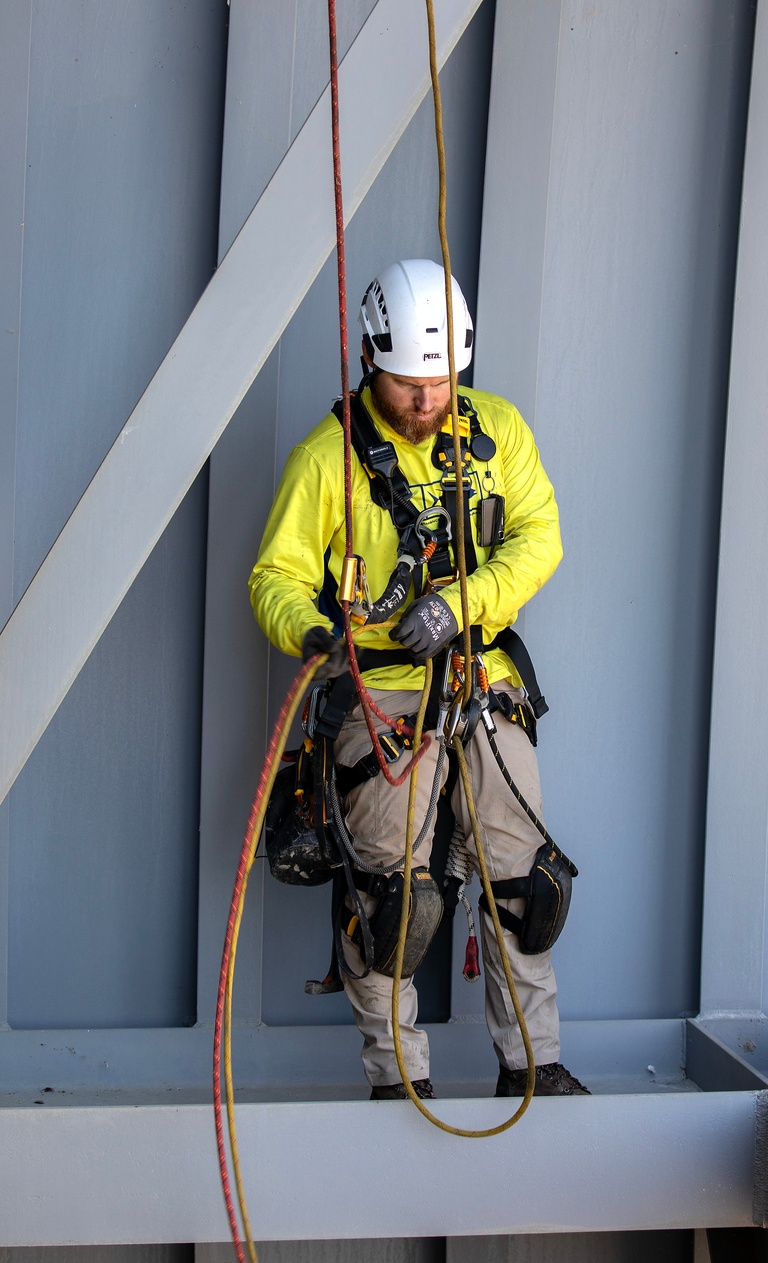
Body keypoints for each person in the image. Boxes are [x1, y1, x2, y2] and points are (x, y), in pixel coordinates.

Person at [250, 259, 588, 1100]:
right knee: (392, 901)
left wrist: (464, 604)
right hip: (383, 692)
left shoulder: (495, 431)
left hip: (481, 680)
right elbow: (275, 578)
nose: (428, 401)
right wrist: (312, 631)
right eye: (409, 385)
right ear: (371, 361)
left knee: (525, 885)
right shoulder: (327, 461)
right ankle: (397, 1085)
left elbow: (538, 536)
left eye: (440, 381)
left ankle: (535, 1070)